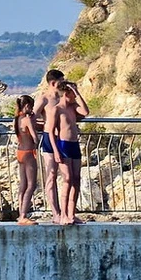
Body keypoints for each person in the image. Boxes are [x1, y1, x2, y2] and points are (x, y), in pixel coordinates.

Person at [45, 80, 90, 225]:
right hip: (63, 144)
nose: (75, 96)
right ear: (65, 93)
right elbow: (51, 132)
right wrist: (56, 151)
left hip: (74, 144)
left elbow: (85, 112)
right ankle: (63, 214)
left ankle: (72, 213)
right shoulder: (56, 109)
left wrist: (78, 93)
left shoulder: (73, 107)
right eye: (72, 93)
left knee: (76, 179)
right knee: (67, 179)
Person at [34, 69, 65, 223]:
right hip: (49, 138)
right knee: (51, 175)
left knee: (68, 176)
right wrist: (45, 126)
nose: (63, 85)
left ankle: (66, 211)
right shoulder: (44, 99)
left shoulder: (63, 98)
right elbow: (32, 117)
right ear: (53, 83)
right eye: (61, 82)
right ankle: (55, 213)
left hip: (64, 138)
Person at [14, 95, 39, 225]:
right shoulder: (27, 119)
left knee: (22, 185)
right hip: (29, 153)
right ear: (27, 106)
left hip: (20, 152)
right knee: (31, 185)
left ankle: (20, 214)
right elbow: (35, 137)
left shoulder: (17, 118)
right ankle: (24, 215)